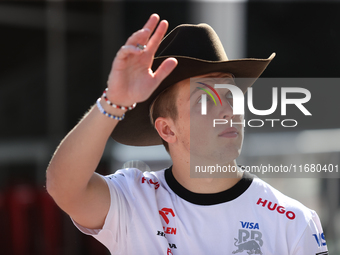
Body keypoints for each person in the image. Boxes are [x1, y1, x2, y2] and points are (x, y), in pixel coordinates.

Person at [46, 14, 328, 255]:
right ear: (167, 129)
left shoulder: (293, 221)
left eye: (230, 94)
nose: (228, 110)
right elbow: (64, 188)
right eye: (204, 100)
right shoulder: (133, 199)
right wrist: (113, 102)